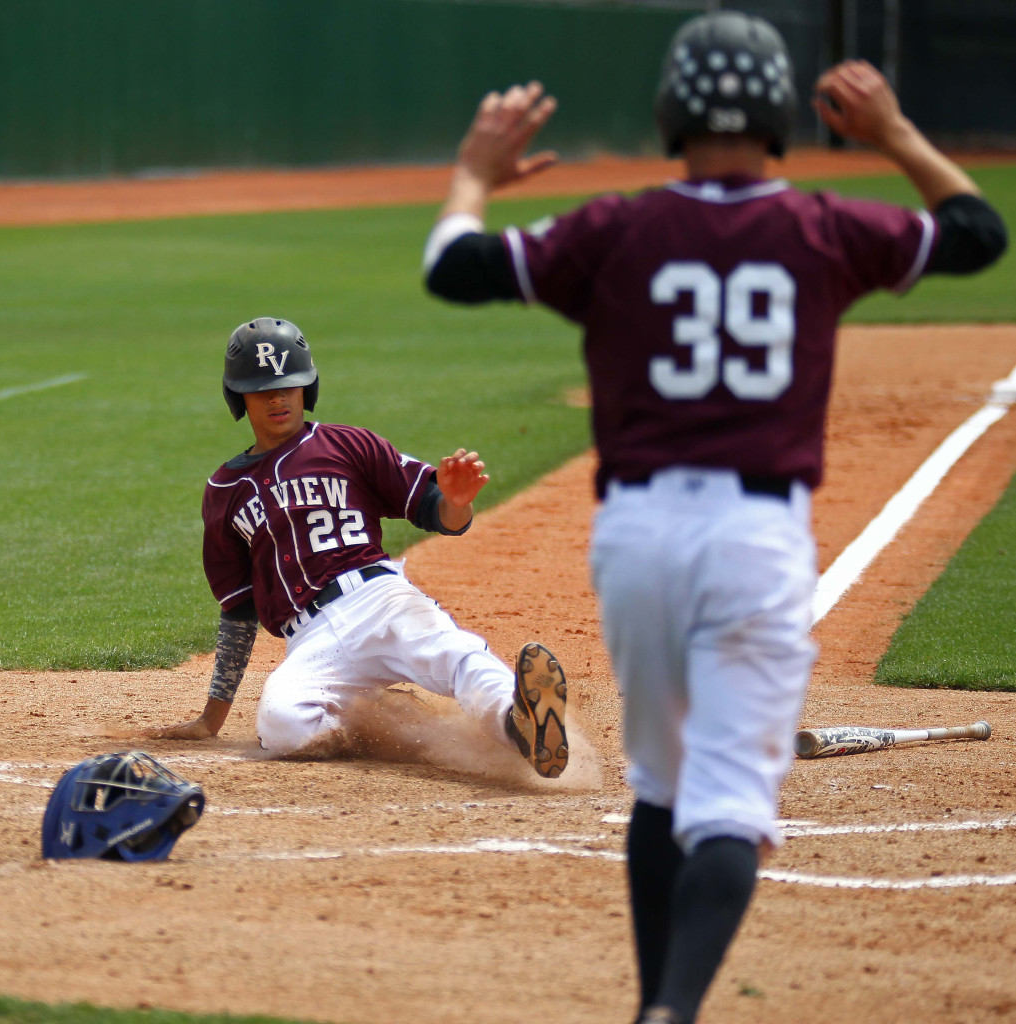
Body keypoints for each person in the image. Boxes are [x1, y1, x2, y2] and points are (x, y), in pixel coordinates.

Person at [421, 11, 1006, 1024]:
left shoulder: (615, 229)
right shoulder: (823, 224)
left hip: (637, 538)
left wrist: (474, 173)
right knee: (732, 799)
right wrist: (896, 133)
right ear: (780, 113)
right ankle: (671, 1012)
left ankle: (659, 1006)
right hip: (754, 540)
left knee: (660, 786)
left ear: (670, 112)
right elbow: (976, 236)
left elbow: (454, 268)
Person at [144, 316, 569, 780]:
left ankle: (519, 723)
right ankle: (377, 720)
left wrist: (456, 501)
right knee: (281, 725)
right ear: (239, 398)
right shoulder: (225, 488)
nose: (278, 398)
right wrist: (212, 718)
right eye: (263, 389)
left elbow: (435, 511)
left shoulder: (346, 444)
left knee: (454, 653)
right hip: (311, 640)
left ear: (309, 387)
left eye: (289, 385)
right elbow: (238, 611)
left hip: (381, 599)